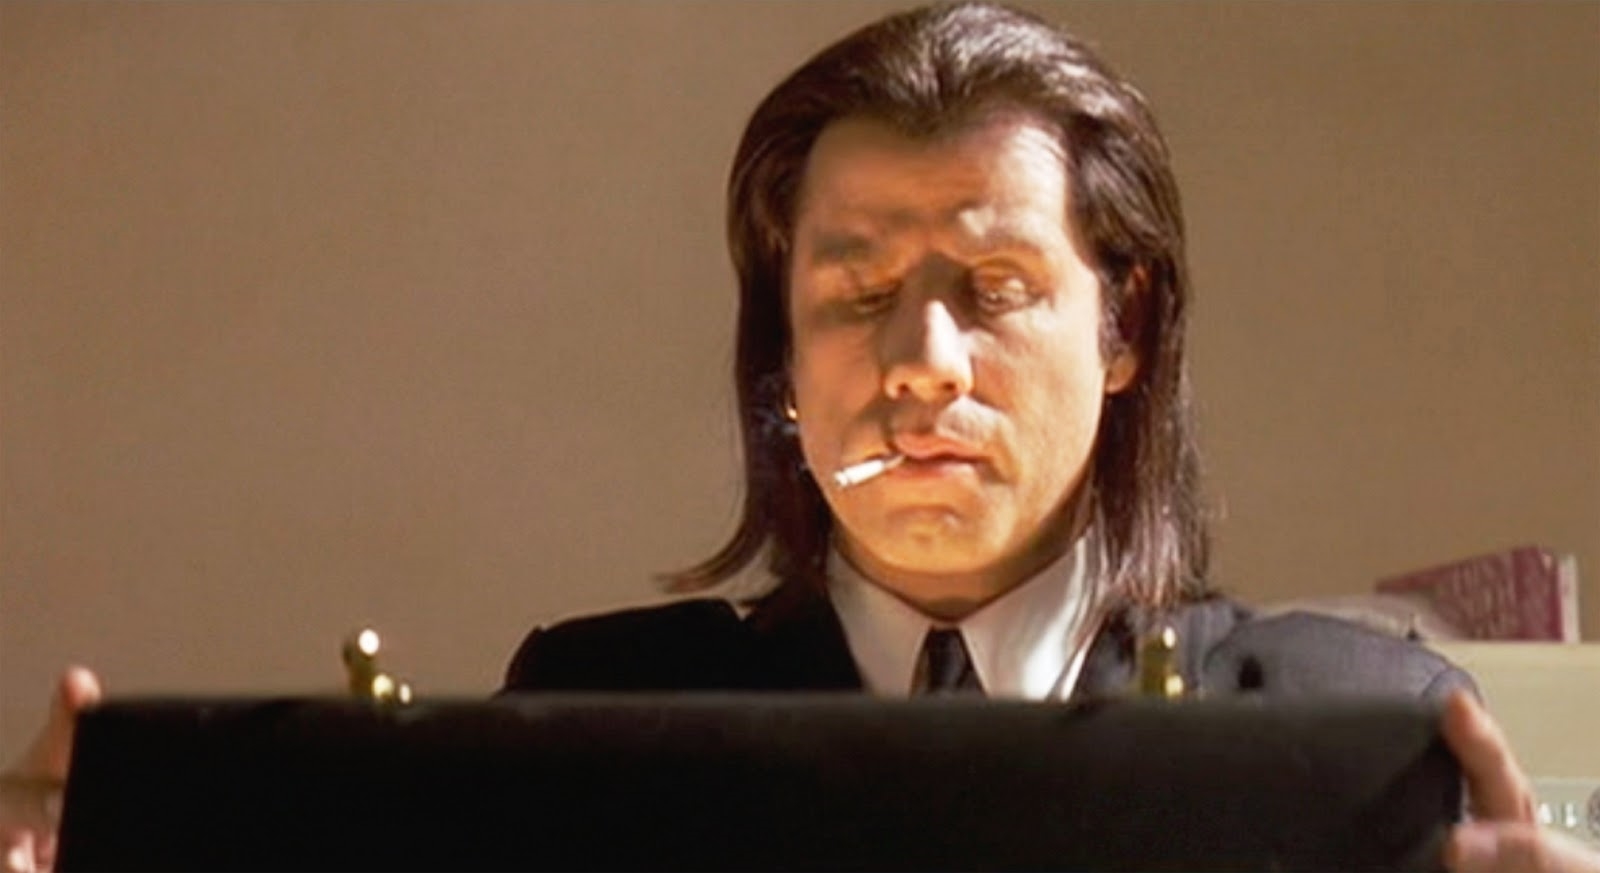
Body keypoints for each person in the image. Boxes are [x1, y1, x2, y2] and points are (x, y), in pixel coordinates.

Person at [4, 3, 1596, 872]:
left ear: (1123, 329)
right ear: (780, 352)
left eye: (992, 289)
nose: (922, 362)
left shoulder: (1363, 728)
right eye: (856, 293)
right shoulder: (596, 709)